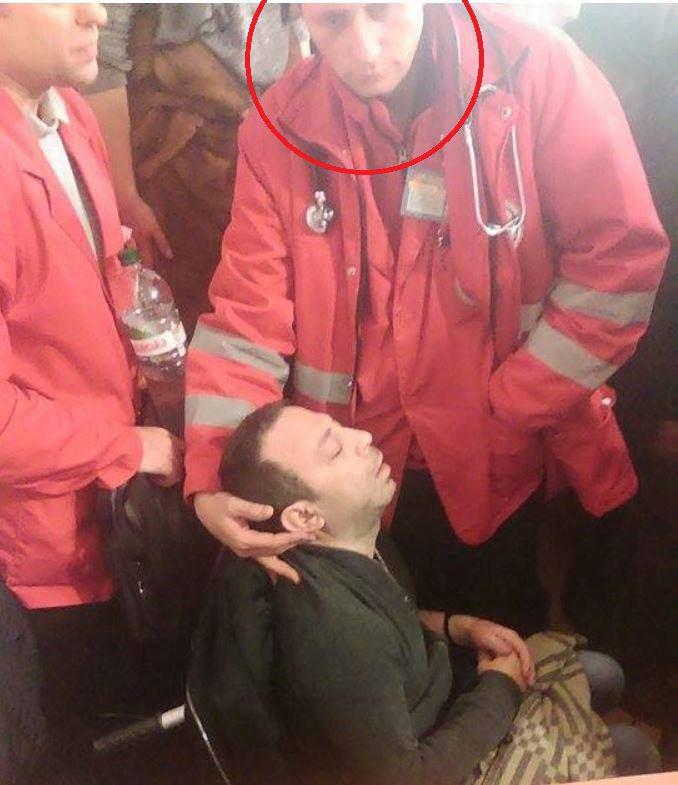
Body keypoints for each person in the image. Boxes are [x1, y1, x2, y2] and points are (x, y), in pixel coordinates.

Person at [184, 3, 668, 635]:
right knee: (378, 649)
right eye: (333, 23)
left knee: (501, 635)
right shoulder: (281, 128)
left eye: (381, 11)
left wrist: (515, 402)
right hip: (350, 476)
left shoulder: (538, 73)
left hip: (497, 457)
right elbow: (246, 318)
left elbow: (618, 262)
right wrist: (216, 469)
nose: (364, 48)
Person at [188, 402, 660, 785]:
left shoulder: (357, 540)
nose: (363, 437)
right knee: (632, 748)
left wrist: (458, 627)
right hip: (425, 761)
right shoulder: (334, 635)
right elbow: (404, 777)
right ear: (305, 517)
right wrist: (500, 688)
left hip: (435, 702)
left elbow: (394, 618)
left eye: (342, 429)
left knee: (604, 674)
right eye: (334, 451)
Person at [0, 3, 182, 778]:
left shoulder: (69, 116)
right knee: (78, 741)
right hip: (43, 550)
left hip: (108, 514)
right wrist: (130, 445)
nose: (96, 13)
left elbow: (106, 268)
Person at [82, 3, 303, 333]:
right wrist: (124, 195)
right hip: (183, 164)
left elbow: (295, 22)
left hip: (274, 138)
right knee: (207, 319)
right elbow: (104, 57)